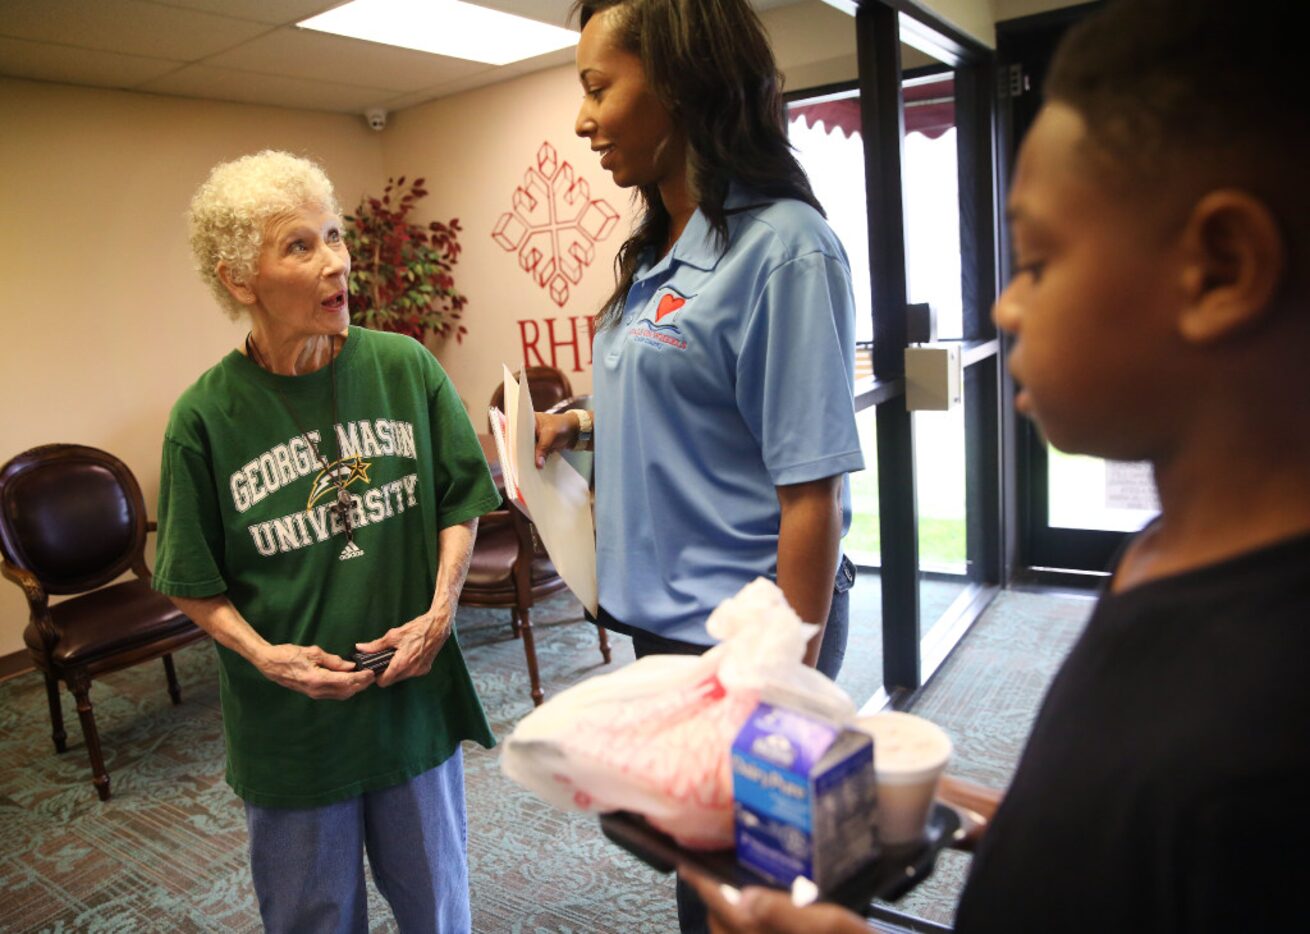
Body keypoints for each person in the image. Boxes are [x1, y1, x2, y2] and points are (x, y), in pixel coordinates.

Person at [683, 0, 1310, 930]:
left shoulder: (1265, 732)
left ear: (1220, 269)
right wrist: (1011, 824)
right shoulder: (1163, 553)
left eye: (1038, 260)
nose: (1006, 308)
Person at [532, 1, 864, 929]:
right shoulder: (658, 251)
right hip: (665, 634)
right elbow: (695, 398)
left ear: (680, 82)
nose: (583, 118)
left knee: (761, 894)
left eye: (599, 88)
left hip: (750, 638)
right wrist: (583, 423)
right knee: (705, 885)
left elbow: (812, 494)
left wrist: (778, 689)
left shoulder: (785, 249)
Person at [153, 150, 501, 932]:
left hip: (409, 699)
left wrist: (442, 609)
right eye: (300, 246)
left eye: (335, 236)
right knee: (313, 919)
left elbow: (459, 498)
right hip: (293, 730)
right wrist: (266, 655)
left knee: (438, 908)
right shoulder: (203, 420)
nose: (335, 263)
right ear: (240, 281)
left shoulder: (405, 367)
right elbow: (189, 580)